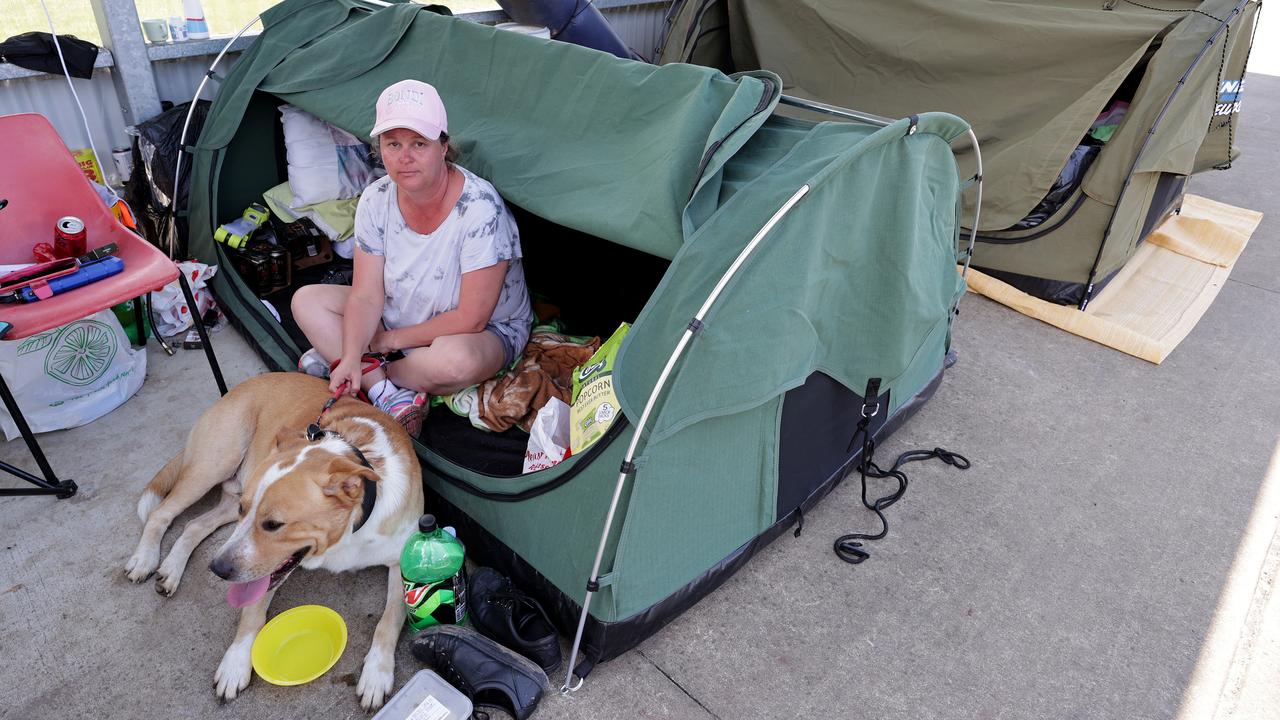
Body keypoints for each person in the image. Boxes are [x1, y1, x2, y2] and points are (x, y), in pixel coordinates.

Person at [292, 79, 533, 437]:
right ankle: (385, 393)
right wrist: (364, 346)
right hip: (399, 308)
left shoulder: (480, 209)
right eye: (393, 144)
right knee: (307, 300)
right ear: (381, 150)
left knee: (456, 361)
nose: (405, 157)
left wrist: (380, 344)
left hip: (479, 331)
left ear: (443, 147)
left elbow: (472, 317)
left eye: (419, 143)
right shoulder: (375, 199)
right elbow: (366, 294)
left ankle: (358, 369)